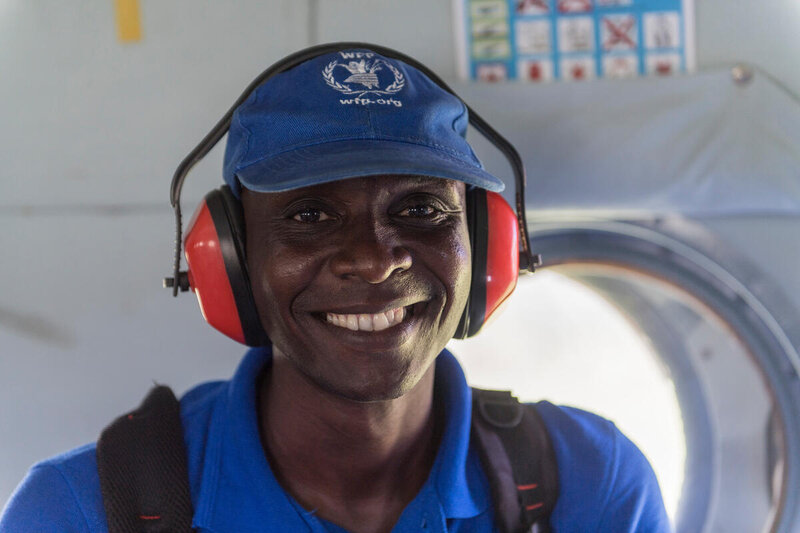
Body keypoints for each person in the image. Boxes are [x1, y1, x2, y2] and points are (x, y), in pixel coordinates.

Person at [0, 46, 670, 532]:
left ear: (487, 248)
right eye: (311, 216)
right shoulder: (82, 510)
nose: (375, 260)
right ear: (227, 262)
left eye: (420, 210)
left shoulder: (591, 484)